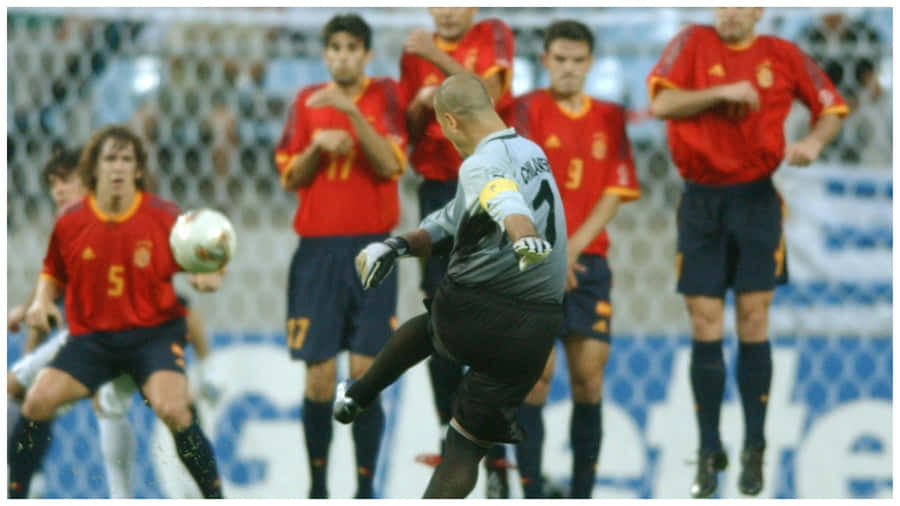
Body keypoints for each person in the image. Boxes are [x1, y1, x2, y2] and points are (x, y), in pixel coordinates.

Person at [331, 73, 567, 499]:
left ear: (451, 123)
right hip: (535, 333)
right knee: (462, 450)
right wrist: (397, 245)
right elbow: (454, 219)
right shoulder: (531, 151)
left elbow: (501, 195)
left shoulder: (478, 164)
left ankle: (357, 395)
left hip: (478, 311)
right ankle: (357, 396)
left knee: (433, 322)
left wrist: (521, 233)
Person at [647, 7, 848, 498]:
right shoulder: (691, 42)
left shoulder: (781, 54)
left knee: (754, 320)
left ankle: (755, 446)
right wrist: (720, 92)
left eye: (740, 4)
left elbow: (832, 108)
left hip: (756, 199)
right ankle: (709, 447)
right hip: (701, 199)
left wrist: (815, 142)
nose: (729, 13)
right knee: (704, 320)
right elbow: (661, 104)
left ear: (759, 10)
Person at [8, 125, 224, 499]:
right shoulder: (72, 220)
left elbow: (203, 264)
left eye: (127, 159)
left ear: (139, 170)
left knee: (173, 409)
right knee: (36, 402)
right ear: (95, 167)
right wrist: (41, 302)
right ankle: (15, 493)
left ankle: (215, 496)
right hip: (91, 339)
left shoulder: (163, 217)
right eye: (110, 158)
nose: (118, 167)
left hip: (152, 337)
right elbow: (52, 272)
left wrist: (210, 276)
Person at [502, 20, 641, 498]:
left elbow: (615, 192)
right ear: (544, 61)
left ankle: (582, 493)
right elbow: (515, 189)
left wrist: (573, 249)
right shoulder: (525, 111)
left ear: (590, 63)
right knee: (534, 378)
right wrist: (550, 255)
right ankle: (532, 492)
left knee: (588, 377)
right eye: (559, 59)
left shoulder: (608, 116)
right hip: (533, 262)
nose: (568, 68)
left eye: (577, 60)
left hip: (587, 262)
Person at [273, 14, 407, 499]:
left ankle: (365, 491)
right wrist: (314, 146)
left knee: (365, 375)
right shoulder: (305, 102)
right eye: (335, 47)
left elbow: (392, 163)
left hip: (372, 250)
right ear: (325, 54)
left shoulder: (385, 95)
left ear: (366, 54)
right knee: (319, 378)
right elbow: (290, 177)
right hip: (317, 254)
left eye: (352, 47)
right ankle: (317, 491)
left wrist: (351, 115)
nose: (343, 55)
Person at [398, 7, 515, 496]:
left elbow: (486, 97)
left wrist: (435, 58)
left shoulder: (493, 36)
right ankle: (454, 439)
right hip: (438, 189)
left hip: (489, 181)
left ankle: (498, 455)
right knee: (442, 319)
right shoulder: (412, 54)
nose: (446, 10)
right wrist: (420, 106)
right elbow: (405, 129)